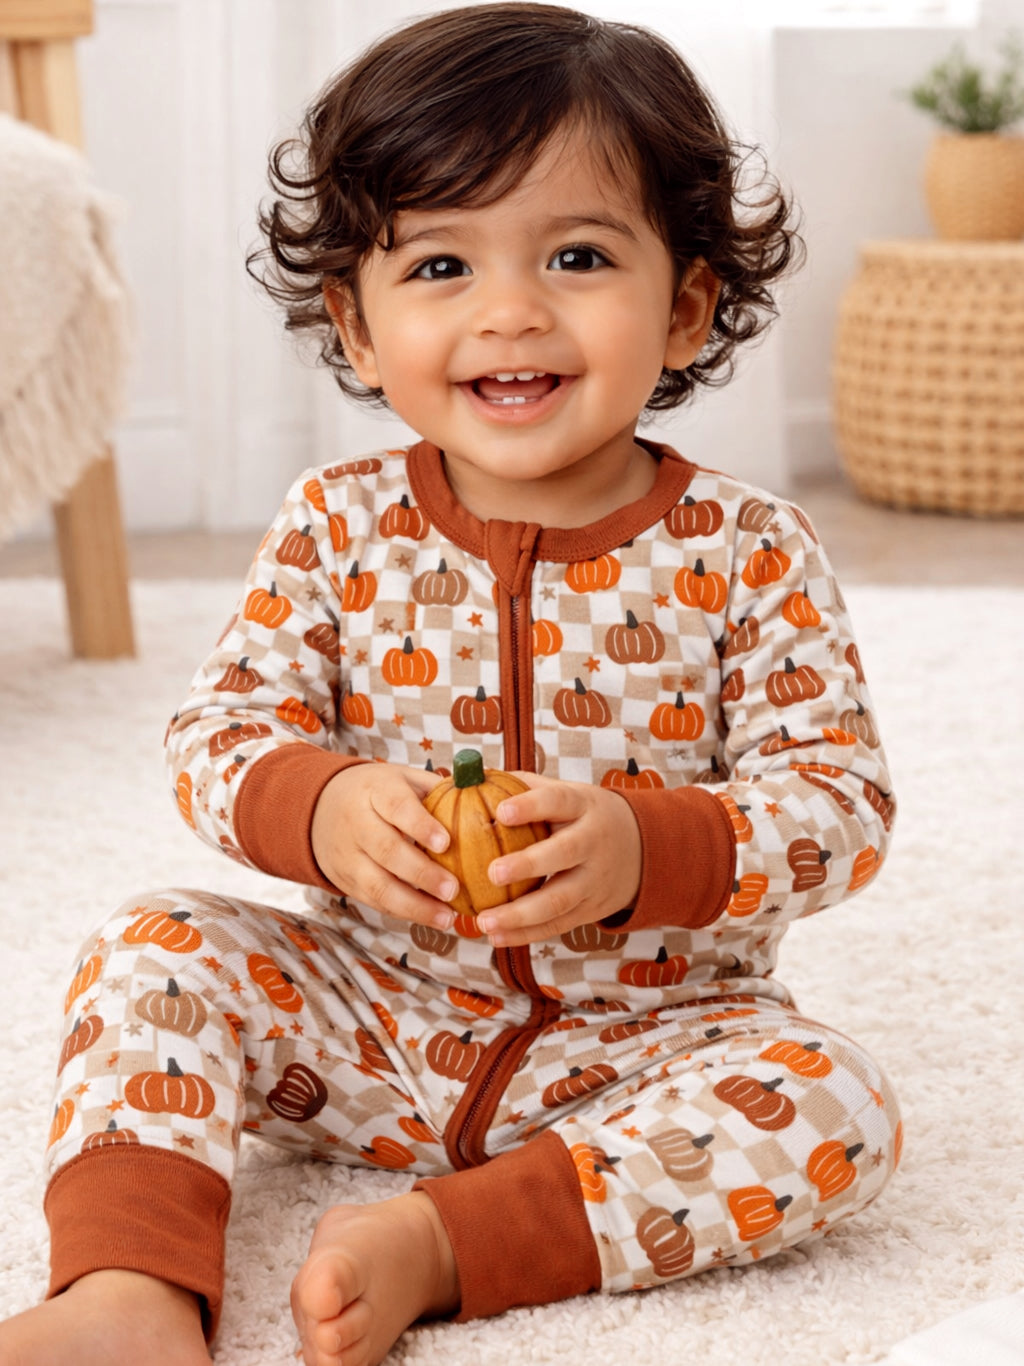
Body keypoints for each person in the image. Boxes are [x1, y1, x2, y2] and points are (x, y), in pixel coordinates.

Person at [0, 5, 903, 1365]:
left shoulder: (751, 549)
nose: (510, 310)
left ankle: (443, 1239)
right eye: (439, 264)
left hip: (644, 1043)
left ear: (686, 306)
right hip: (364, 1012)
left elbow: (841, 803)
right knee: (156, 946)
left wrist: (643, 846)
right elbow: (218, 734)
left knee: (838, 1102)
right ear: (357, 328)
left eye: (578, 256)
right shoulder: (333, 525)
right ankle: (127, 1288)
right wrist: (323, 805)